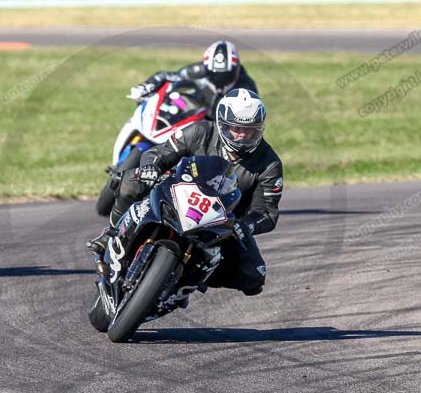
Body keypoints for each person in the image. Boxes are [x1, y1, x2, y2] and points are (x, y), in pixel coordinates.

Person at [88, 88, 282, 296]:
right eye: (236, 128)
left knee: (253, 277)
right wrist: (152, 167)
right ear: (222, 124)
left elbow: (266, 212)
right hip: (175, 193)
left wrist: (245, 225)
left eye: (250, 130)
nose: (242, 135)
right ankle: (112, 235)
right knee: (129, 182)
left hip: (221, 223)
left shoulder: (269, 164)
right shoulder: (200, 131)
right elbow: (159, 152)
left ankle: (190, 281)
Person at [127, 40, 259, 120]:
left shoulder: (246, 88)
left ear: (235, 69)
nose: (219, 78)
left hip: (221, 130)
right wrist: (148, 85)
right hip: (193, 116)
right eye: (214, 73)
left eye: (225, 74)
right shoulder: (199, 70)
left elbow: (249, 119)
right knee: (175, 96)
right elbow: (168, 76)